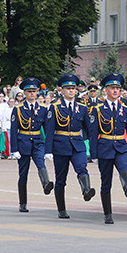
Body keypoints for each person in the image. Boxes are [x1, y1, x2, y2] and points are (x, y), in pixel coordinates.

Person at [87, 73, 127, 224]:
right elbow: (93, 134)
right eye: (112, 88)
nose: (115, 91)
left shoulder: (126, 109)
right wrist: (93, 154)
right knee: (106, 182)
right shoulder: (97, 110)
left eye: (118, 88)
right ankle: (107, 213)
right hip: (105, 148)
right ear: (106, 90)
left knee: (123, 166)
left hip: (121, 146)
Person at [45, 74, 95, 219]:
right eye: (68, 88)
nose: (71, 91)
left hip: (78, 144)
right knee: (61, 178)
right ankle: (61, 209)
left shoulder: (82, 108)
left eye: (73, 88)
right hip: (60, 145)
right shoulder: (55, 107)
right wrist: (48, 150)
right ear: (62, 91)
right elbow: (49, 130)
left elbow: (89, 130)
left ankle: (86, 190)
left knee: (82, 168)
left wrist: (94, 149)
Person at [10, 77, 54, 212]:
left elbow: (48, 130)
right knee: (23, 174)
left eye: (34, 91)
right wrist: (14, 149)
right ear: (24, 93)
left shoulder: (43, 109)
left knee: (41, 163)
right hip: (23, 142)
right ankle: (22, 203)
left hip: (37, 141)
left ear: (37, 92)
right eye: (29, 91)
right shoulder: (18, 109)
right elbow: (13, 130)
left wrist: (49, 149)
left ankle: (46, 184)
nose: (32, 94)